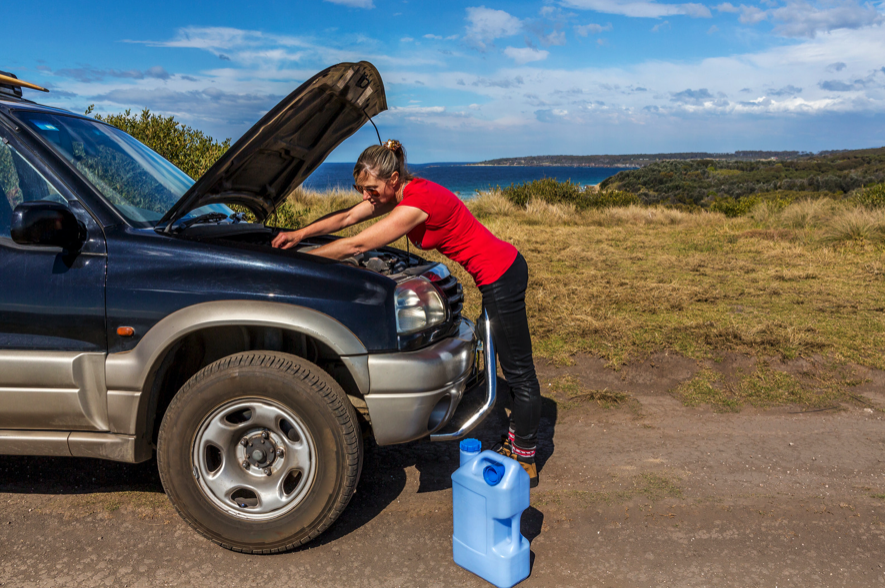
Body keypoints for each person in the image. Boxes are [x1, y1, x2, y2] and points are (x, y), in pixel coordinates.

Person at [272, 140, 542, 487]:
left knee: (519, 371)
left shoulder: (418, 203)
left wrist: (302, 262)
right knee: (502, 358)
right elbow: (348, 218)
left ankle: (525, 456)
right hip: (496, 272)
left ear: (394, 179)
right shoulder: (401, 194)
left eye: (371, 189)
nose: (367, 197)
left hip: (501, 275)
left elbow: (358, 244)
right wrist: (300, 234)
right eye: (362, 190)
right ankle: (519, 439)